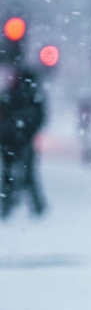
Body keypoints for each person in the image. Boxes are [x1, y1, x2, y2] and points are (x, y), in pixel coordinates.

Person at [0, 66, 47, 218]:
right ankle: (32, 205)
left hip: (13, 141)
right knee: (24, 174)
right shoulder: (31, 97)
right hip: (16, 141)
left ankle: (9, 204)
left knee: (15, 174)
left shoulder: (14, 96)